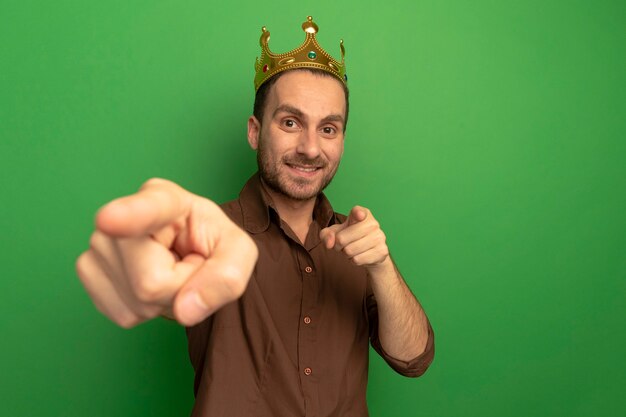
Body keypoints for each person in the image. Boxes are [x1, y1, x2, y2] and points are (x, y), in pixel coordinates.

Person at [76, 16, 435, 417]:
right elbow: (153, 279)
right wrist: (137, 254)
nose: (311, 148)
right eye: (290, 122)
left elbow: (413, 359)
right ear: (254, 131)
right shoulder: (210, 234)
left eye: (329, 129)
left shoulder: (359, 244)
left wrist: (382, 267)